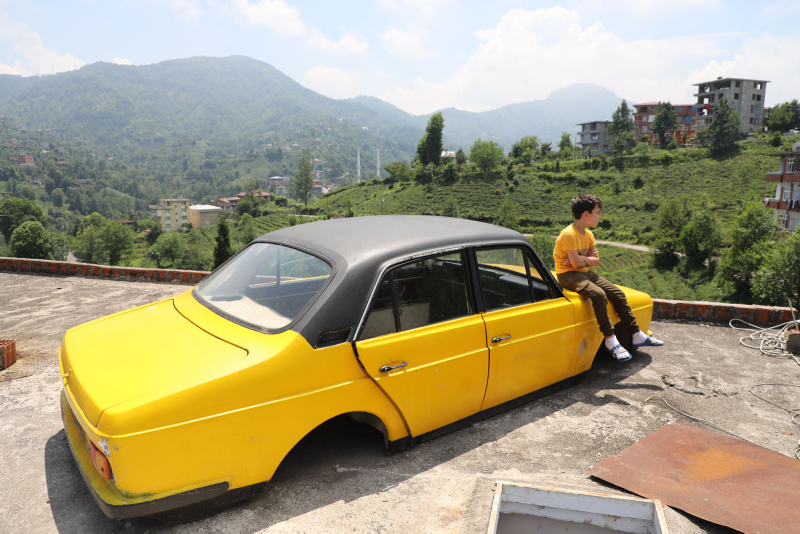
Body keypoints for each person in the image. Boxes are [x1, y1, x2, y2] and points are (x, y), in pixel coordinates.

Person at [553, 194, 664, 361]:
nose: (599, 216)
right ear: (586, 214)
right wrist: (583, 260)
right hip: (567, 275)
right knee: (599, 295)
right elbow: (575, 264)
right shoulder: (569, 234)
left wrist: (581, 259)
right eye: (597, 213)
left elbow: (595, 261)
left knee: (618, 294)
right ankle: (610, 339)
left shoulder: (588, 235)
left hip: (585, 273)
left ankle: (637, 334)